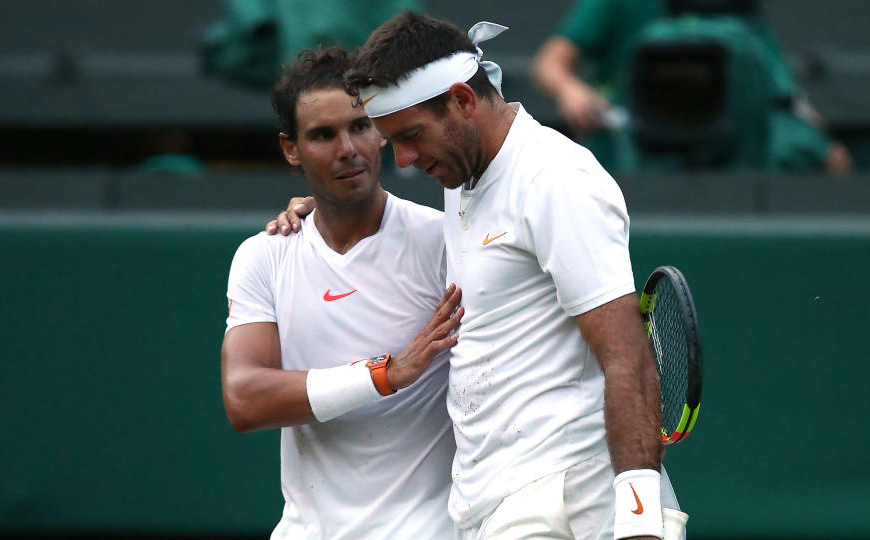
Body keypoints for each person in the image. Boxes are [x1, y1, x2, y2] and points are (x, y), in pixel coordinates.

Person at [272, 12, 684, 540]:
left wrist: (638, 521)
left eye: (413, 135)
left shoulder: (555, 180)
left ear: (464, 101)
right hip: (494, 506)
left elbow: (627, 357)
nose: (404, 158)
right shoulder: (463, 174)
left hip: (574, 503)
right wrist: (326, 206)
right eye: (392, 140)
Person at [220, 46, 464, 539]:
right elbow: (244, 399)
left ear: (379, 129)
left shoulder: (445, 243)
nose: (347, 148)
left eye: (359, 126)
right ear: (292, 149)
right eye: (323, 135)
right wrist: (384, 375)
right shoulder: (263, 256)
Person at [531, 0, 852, 175]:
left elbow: (778, 89)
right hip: (637, 145)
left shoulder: (737, 8)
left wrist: (813, 136)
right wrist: (570, 90)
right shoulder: (615, 4)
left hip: (734, 154)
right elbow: (549, 64)